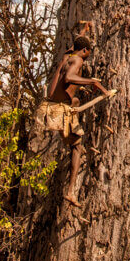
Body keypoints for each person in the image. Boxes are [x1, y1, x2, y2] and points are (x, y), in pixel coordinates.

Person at [38, 33, 113, 208]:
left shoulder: (67, 57)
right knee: (77, 147)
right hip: (60, 110)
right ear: (85, 50)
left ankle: (74, 129)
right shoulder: (78, 61)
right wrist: (93, 83)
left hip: (52, 107)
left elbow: (70, 53)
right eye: (88, 53)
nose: (88, 57)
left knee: (77, 101)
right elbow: (68, 78)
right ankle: (70, 191)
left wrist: (82, 33)